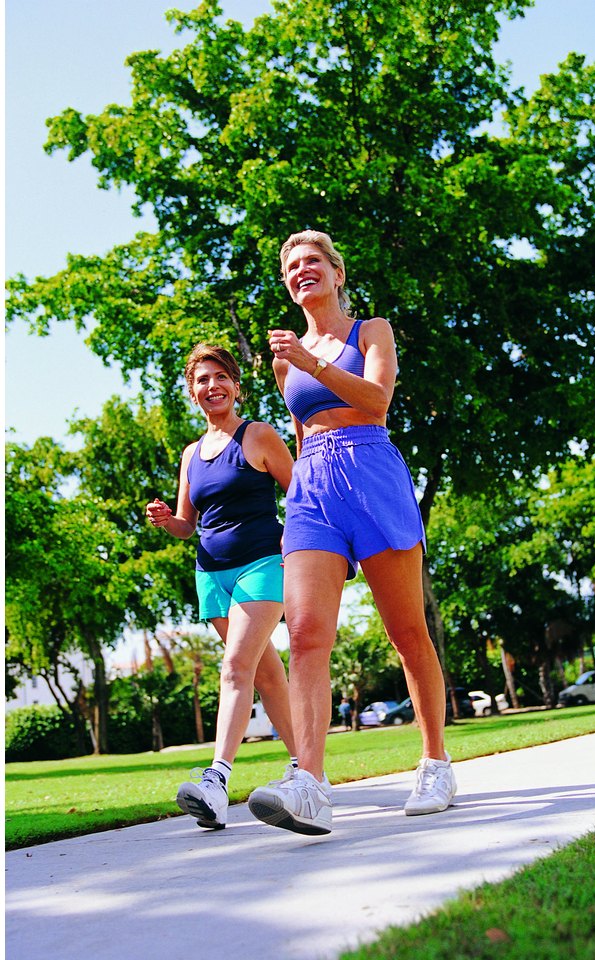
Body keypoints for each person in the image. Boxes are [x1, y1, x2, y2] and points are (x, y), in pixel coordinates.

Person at [247, 231, 455, 836]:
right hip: (313, 489)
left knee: (406, 630)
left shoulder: (372, 331)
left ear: (337, 274)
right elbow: (304, 431)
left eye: (313, 261)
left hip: (371, 472)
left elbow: (377, 401)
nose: (301, 270)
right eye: (291, 266)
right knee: (308, 634)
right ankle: (309, 783)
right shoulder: (284, 359)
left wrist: (313, 362)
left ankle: (435, 761)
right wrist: (295, 495)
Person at [146, 343, 299, 831]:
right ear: (192, 393)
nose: (211, 387)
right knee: (265, 675)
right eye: (201, 381)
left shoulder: (258, 435)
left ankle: (216, 781)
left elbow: (299, 493)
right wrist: (167, 521)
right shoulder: (191, 454)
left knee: (235, 666)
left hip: (262, 564)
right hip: (210, 573)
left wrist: (310, 553)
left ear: (236, 384)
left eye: (219, 378)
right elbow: (188, 525)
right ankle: (305, 768)